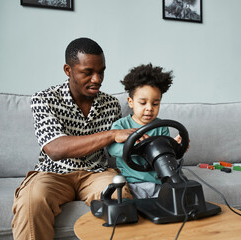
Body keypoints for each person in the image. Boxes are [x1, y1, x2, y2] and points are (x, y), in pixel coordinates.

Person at [11, 37, 136, 240]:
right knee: (32, 200)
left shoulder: (111, 104)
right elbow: (56, 148)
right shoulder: (44, 99)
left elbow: (120, 143)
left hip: (96, 173)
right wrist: (110, 134)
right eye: (88, 72)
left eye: (101, 71)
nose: (97, 79)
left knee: (118, 197)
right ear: (68, 70)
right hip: (54, 173)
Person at [108, 63, 180, 199]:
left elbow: (165, 157)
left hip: (158, 183)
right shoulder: (121, 125)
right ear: (131, 102)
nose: (149, 108)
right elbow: (112, 150)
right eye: (143, 103)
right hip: (132, 183)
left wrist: (174, 147)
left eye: (155, 103)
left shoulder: (161, 126)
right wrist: (138, 146)